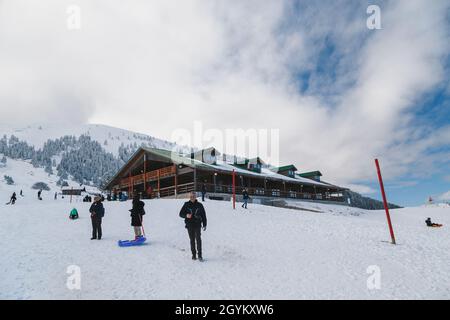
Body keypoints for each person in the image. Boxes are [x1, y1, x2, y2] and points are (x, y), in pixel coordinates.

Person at [179, 191, 207, 261]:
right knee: (192, 240)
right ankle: (194, 255)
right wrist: (186, 215)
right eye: (191, 197)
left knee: (198, 239)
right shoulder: (186, 204)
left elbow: (203, 215)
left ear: (195, 197)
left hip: (197, 224)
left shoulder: (200, 205)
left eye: (193, 196)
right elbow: (180, 214)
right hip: (189, 225)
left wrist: (205, 224)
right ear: (189, 197)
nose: (192, 198)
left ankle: (200, 255)